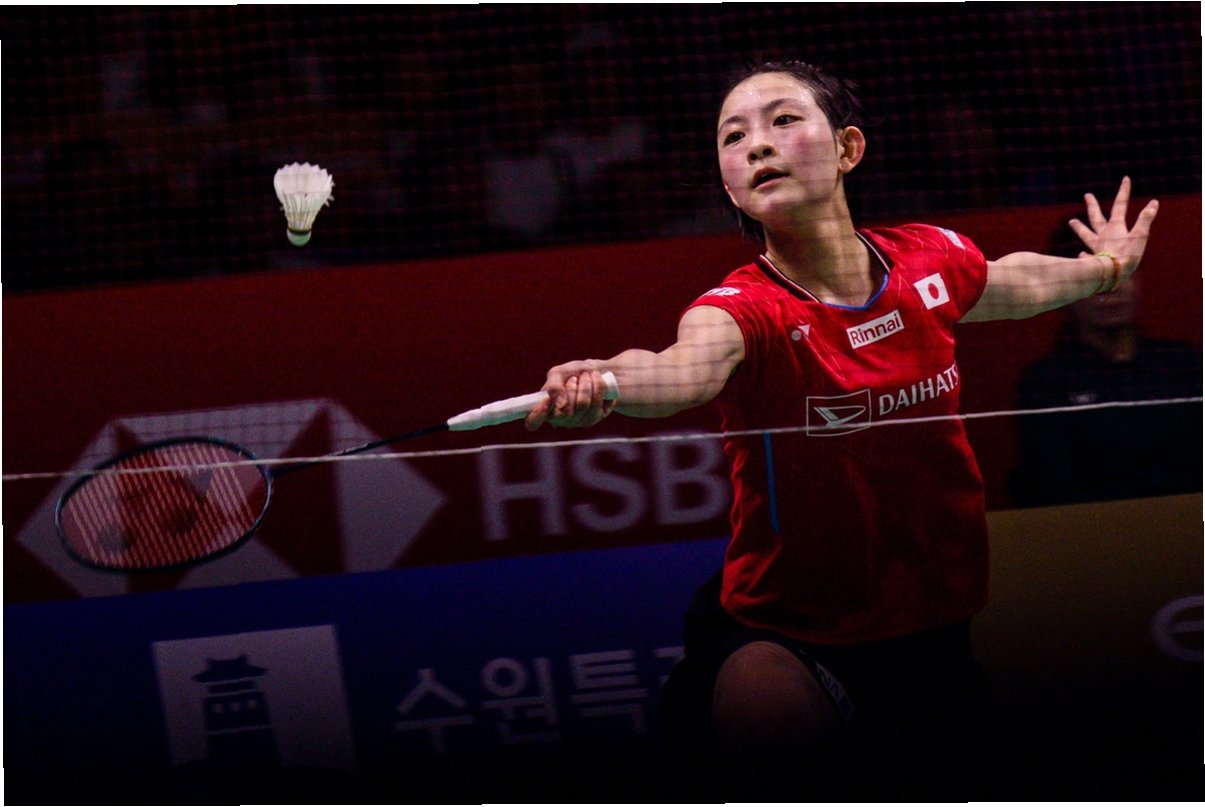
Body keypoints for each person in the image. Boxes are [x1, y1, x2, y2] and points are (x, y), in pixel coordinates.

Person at [522, 59, 1159, 799]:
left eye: (783, 119)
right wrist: (606, 384)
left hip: (931, 623)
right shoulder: (742, 310)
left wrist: (1105, 269)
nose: (758, 144)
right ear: (728, 184)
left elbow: (1011, 281)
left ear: (848, 148)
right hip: (786, 625)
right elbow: (679, 369)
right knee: (770, 724)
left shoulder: (928, 260)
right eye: (734, 136)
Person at [1012, 239, 1201, 506]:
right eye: (1094, 278)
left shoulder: (1181, 363)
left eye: (1121, 273)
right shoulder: (1045, 382)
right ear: (1064, 292)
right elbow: (1056, 487)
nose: (1111, 290)